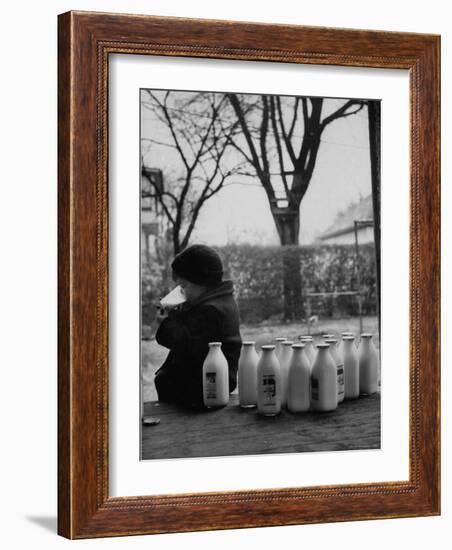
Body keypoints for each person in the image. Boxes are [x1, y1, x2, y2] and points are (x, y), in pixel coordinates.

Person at [154, 244, 242, 410]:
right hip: (212, 381)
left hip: (207, 386)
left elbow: (189, 344)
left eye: (184, 286)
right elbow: (194, 329)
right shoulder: (217, 301)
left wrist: (165, 324)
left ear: (202, 282)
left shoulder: (213, 310)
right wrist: (176, 314)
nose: (182, 292)